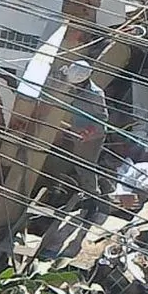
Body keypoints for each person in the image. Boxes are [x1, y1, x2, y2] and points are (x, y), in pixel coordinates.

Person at [61, 60, 108, 198]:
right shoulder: (74, 83)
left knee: (86, 165)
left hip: (93, 136)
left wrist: (88, 132)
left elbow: (102, 119)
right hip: (78, 131)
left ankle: (93, 194)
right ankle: (86, 188)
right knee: (78, 162)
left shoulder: (95, 94)